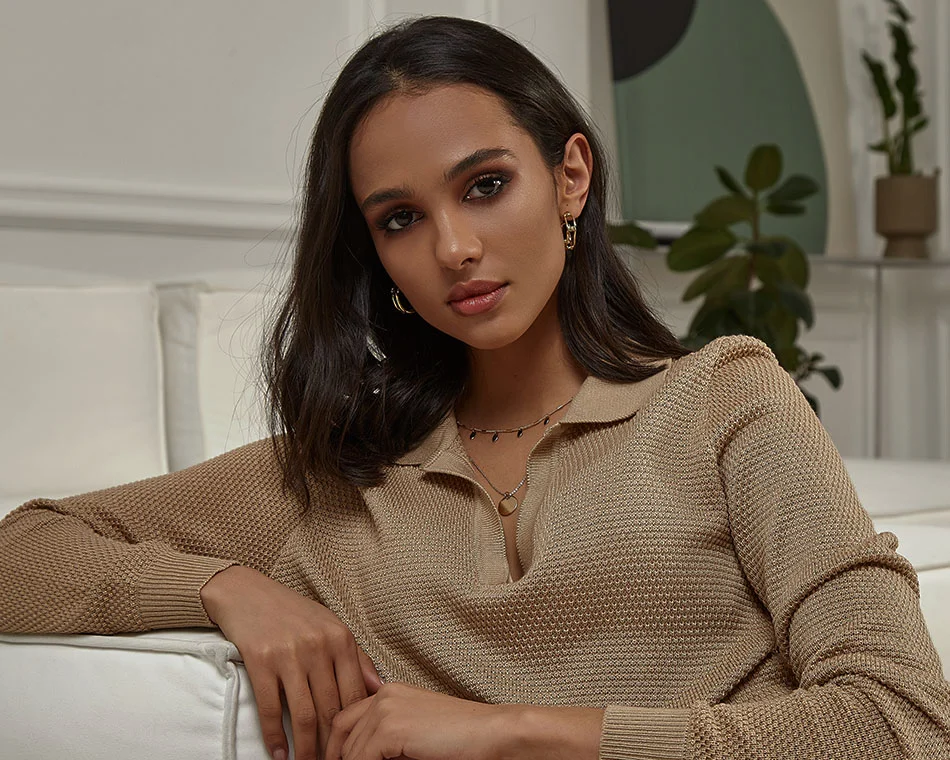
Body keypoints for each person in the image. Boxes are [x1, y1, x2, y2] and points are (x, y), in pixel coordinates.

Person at [1, 14, 948, 760]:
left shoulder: (725, 404)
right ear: (373, 255)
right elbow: (21, 552)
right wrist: (229, 587)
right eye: (401, 217)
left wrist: (513, 733)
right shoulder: (336, 474)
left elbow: (903, 722)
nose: (452, 247)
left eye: (485, 185)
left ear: (570, 176)